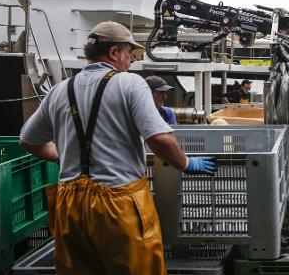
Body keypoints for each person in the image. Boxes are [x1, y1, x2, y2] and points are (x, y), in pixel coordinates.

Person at [19, 21, 217, 275]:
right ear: (114, 53)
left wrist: (60, 156)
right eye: (130, 55)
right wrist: (187, 163)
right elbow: (161, 140)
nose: (131, 62)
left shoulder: (59, 90)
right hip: (118, 204)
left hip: (68, 204)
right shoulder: (130, 84)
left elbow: (28, 140)